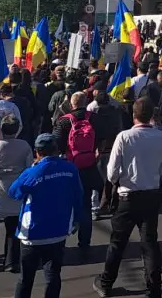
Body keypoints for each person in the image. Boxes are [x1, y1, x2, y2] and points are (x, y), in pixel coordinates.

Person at [95, 98, 162, 298]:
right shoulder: (161, 136)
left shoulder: (124, 137)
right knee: (150, 243)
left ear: (133, 115)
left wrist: (119, 178)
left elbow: (111, 174)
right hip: (151, 194)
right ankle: (154, 288)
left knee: (118, 242)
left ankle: (106, 282)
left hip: (128, 196)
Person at [9, 134, 82, 298]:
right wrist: (76, 220)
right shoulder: (70, 169)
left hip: (32, 234)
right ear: (56, 149)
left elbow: (14, 192)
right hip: (58, 231)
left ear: (37, 152)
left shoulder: (33, 172)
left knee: (26, 279)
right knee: (53, 276)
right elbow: (78, 196)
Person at [0, 115, 33, 274]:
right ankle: (11, 261)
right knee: (13, 228)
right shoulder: (24, 146)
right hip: (15, 190)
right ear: (17, 129)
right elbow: (29, 168)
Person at [51, 92, 101, 255]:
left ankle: (60, 241)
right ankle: (84, 241)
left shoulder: (65, 120)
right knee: (85, 204)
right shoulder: (93, 118)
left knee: (65, 205)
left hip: (69, 166)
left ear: (71, 104)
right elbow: (102, 137)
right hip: (88, 165)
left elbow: (56, 143)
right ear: (86, 102)